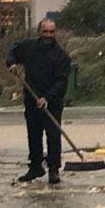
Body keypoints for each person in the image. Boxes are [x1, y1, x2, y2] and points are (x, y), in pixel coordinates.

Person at [6, 19, 71, 184]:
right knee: (34, 135)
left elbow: (61, 82)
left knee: (53, 135)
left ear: (55, 33)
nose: (48, 35)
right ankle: (35, 167)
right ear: (39, 32)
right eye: (45, 32)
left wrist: (46, 98)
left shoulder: (61, 56)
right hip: (31, 99)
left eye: (51, 32)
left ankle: (54, 169)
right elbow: (13, 51)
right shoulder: (28, 47)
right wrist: (12, 63)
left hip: (52, 102)